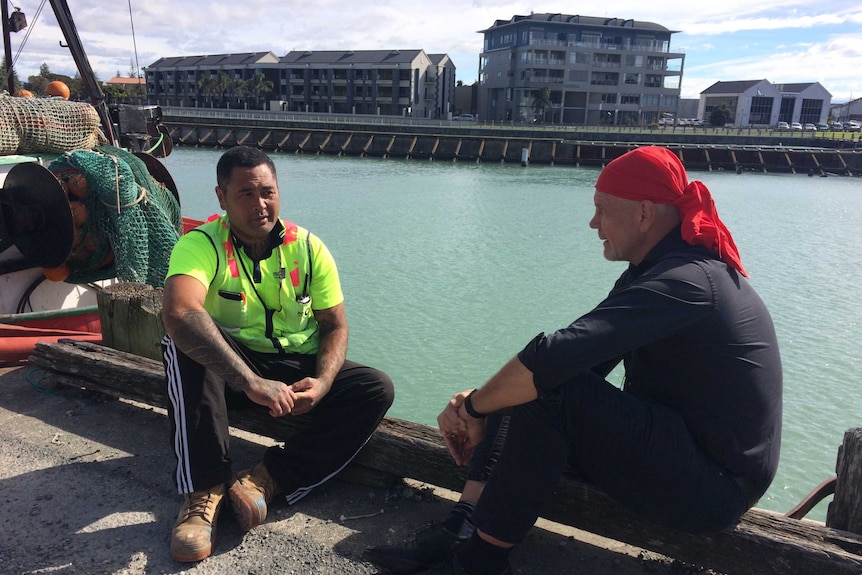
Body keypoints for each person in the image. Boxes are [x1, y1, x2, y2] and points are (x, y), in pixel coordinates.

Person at [368, 146, 782, 575]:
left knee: (547, 385)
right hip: (680, 454)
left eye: (602, 210)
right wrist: (484, 402)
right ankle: (464, 525)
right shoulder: (654, 273)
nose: (593, 224)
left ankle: (481, 563)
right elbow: (573, 358)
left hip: (715, 487)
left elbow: (553, 362)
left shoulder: (687, 282)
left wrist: (472, 407)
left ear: (643, 213)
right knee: (532, 387)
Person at [160, 145, 394, 563]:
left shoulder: (308, 248)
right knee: (185, 344)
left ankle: (267, 480)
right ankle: (205, 492)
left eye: (267, 191)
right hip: (231, 371)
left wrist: (322, 384)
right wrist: (249, 381)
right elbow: (179, 312)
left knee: (374, 388)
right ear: (221, 198)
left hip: (291, 361)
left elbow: (334, 326)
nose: (260, 204)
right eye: (245, 194)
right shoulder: (202, 245)